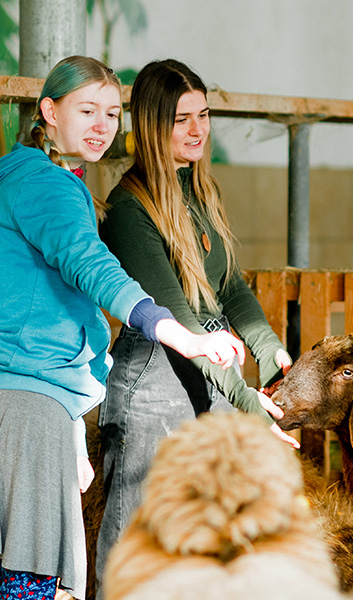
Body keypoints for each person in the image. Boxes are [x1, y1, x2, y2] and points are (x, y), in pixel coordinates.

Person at [0, 55, 248, 600]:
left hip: (11, 400)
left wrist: (73, 437)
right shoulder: (51, 187)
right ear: (50, 111)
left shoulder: (21, 178)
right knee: (33, 589)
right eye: (87, 110)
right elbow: (93, 267)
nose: (101, 127)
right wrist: (177, 332)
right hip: (32, 407)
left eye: (112, 115)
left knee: (10, 587)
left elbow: (44, 307)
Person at [94, 58, 297, 586]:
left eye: (204, 115)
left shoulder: (202, 193)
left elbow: (229, 287)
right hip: (156, 380)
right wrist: (251, 405)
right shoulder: (131, 209)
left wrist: (269, 345)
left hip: (208, 369)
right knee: (138, 534)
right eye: (182, 119)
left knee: (204, 533)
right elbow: (182, 323)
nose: (197, 129)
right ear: (153, 126)